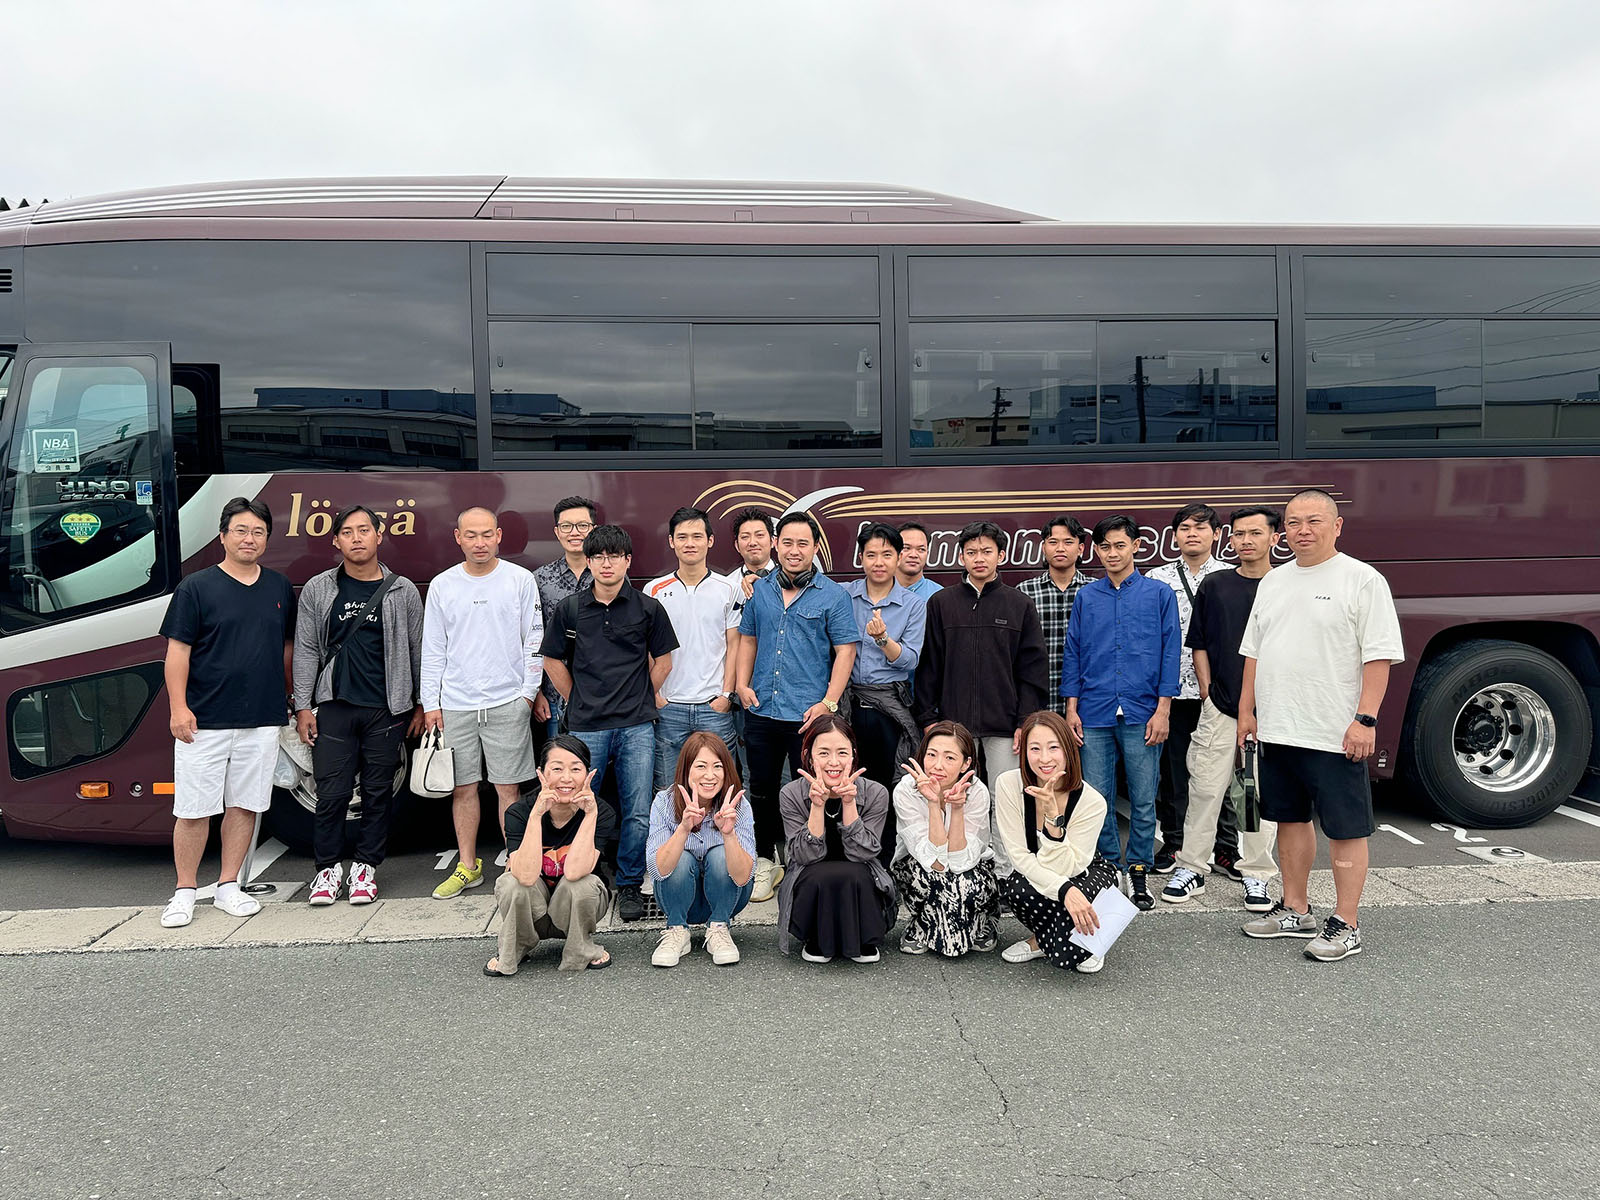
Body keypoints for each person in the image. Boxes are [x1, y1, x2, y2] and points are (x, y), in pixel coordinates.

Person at [1238, 489, 1404, 962]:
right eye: (1293, 522)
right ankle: (1296, 908)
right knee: (1289, 820)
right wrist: (1247, 712)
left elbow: (1378, 656)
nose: (1302, 530)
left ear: (1337, 526)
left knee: (1345, 828)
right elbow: (1253, 652)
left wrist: (1365, 720)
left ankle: (1347, 923)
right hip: (1278, 727)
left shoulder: (1362, 580)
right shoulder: (1273, 581)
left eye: (1313, 521)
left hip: (1334, 731)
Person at [159, 498, 296, 929]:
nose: (249, 539)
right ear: (223, 536)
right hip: (203, 720)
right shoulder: (196, 588)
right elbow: (177, 653)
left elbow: (287, 648)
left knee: (245, 805)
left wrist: (289, 698)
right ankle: (184, 891)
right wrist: (178, 708)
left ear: (267, 539)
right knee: (193, 809)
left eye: (258, 532)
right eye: (240, 530)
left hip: (261, 719)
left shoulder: (279, 587)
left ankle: (228, 886)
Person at [541, 524, 678, 923]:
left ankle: (631, 882)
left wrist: (640, 696)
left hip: (637, 725)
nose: (606, 563)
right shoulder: (570, 608)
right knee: (580, 804)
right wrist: (577, 699)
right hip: (586, 727)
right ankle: (584, 874)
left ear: (627, 561)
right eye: (598, 556)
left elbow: (664, 661)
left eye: (614, 556)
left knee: (637, 809)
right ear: (588, 561)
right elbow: (552, 660)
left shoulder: (648, 608)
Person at [291, 504, 425, 906]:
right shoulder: (319, 588)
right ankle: (327, 870)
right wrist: (303, 706)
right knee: (331, 794)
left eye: (364, 530)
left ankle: (365, 868)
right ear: (336, 541)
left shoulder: (402, 590)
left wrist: (421, 703)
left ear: (379, 535)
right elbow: (306, 649)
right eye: (347, 532)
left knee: (377, 794)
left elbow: (418, 650)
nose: (356, 538)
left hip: (387, 708)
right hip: (335, 707)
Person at [1162, 506, 1283, 914]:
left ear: (1274, 538)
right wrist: (1209, 692)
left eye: (1255, 533)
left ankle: (1256, 873)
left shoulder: (1286, 585)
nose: (1246, 541)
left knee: (1256, 795)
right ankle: (1192, 866)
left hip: (1271, 713)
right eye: (1239, 534)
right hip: (1221, 705)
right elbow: (1198, 642)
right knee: (1205, 788)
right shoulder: (1216, 585)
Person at [735, 512, 859, 904]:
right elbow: (748, 639)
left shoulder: (833, 596)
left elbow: (845, 651)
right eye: (787, 542)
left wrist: (828, 703)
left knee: (810, 789)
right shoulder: (760, 591)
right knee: (761, 790)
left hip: (809, 715)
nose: (794, 550)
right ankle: (764, 860)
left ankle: (804, 860)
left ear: (815, 548)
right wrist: (741, 684)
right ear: (776, 545)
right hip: (761, 709)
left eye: (803, 543)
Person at [420, 507, 544, 901]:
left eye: (487, 534)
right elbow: (433, 647)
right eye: (471, 535)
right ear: (458, 537)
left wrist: (527, 693)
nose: (479, 542)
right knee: (463, 789)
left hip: (508, 700)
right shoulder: (443, 585)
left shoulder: (519, 580)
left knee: (509, 789)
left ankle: (515, 866)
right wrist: (431, 703)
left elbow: (534, 640)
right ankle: (467, 866)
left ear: (499, 535)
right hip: (455, 703)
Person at [1061, 514, 1181, 911]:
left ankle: (1140, 869)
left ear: (1136, 546)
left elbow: (1170, 653)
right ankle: (1110, 867)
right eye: (1105, 547)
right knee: (1097, 798)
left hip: (1143, 711)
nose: (1112, 553)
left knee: (1144, 797)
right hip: (1093, 711)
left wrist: (1163, 710)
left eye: (1120, 545)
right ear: (1096, 550)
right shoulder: (1087, 597)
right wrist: (1071, 708)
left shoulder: (1158, 595)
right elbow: (1074, 652)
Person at [912, 521, 1048, 815]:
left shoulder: (1020, 605)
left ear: (1001, 555)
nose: (979, 558)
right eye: (971, 552)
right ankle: (956, 847)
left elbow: (1032, 669)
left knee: (1006, 799)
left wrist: (1024, 721)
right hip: (953, 724)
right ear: (961, 557)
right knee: (954, 796)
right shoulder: (941, 603)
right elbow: (929, 665)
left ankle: (1002, 849)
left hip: (1005, 726)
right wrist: (929, 719)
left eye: (987, 551)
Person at [993, 710, 1119, 974]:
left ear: (1068, 749)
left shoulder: (1092, 802)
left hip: (1083, 869)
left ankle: (1093, 938)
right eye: (1035, 748)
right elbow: (1019, 856)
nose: (1044, 758)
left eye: (1053, 747)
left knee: (1071, 955)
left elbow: (1070, 867)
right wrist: (1064, 891)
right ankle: (1043, 939)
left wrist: (1053, 821)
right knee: (1018, 887)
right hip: (1038, 867)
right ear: (1024, 751)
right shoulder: (1008, 784)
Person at [1149, 503, 1238, 876]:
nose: (1192, 534)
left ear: (1216, 534)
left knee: (1221, 772)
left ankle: (1226, 848)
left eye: (1200, 528)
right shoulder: (1157, 578)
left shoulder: (1231, 576)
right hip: (1172, 691)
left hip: (1219, 692)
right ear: (1174, 536)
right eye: (1185, 528)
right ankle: (1174, 843)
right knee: (1173, 773)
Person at [485, 736, 616, 974]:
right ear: (541, 773)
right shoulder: (519, 811)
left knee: (583, 884)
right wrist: (536, 816)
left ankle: (581, 949)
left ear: (588, 774)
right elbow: (524, 876)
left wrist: (590, 815)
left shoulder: (601, 811)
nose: (566, 778)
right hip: (533, 909)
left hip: (574, 908)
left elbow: (575, 872)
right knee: (511, 883)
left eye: (575, 769)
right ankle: (514, 948)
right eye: (557, 769)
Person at [775, 716, 897, 963]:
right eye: (824, 753)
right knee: (820, 874)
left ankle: (863, 938)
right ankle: (816, 938)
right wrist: (817, 807)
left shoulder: (876, 792)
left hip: (861, 882)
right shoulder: (791, 793)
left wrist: (849, 803)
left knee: (855, 872)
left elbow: (863, 854)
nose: (833, 762)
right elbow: (805, 856)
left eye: (842, 752)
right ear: (809, 757)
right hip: (810, 881)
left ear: (853, 755)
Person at [844, 522, 926, 867]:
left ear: (898, 558)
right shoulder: (843, 595)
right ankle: (852, 854)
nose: (879, 562)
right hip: (847, 705)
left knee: (890, 787)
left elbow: (910, 659)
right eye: (871, 555)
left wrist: (882, 640)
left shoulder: (912, 604)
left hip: (888, 707)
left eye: (887, 555)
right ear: (861, 558)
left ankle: (887, 859)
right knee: (849, 783)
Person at [646, 506, 741, 791]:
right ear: (671, 541)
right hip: (669, 708)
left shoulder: (728, 588)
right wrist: (656, 696)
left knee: (721, 789)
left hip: (714, 707)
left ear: (710, 541)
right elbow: (647, 647)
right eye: (682, 537)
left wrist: (726, 696)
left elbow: (734, 644)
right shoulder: (654, 590)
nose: (690, 543)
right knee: (668, 790)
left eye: (697, 536)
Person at [646, 732, 757, 967]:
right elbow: (658, 870)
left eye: (717, 766)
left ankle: (719, 927)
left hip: (729, 897)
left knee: (720, 854)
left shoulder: (738, 805)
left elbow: (743, 877)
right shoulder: (664, 802)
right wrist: (683, 829)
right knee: (680, 858)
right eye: (701, 766)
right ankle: (677, 930)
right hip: (676, 898)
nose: (709, 775)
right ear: (686, 769)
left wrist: (729, 834)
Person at [892, 721, 998, 957]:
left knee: (962, 882)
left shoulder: (977, 791)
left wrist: (957, 809)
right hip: (918, 865)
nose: (937, 765)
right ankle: (922, 922)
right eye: (931, 755)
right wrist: (933, 802)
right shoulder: (906, 790)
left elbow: (961, 863)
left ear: (966, 763)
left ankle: (979, 920)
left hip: (971, 866)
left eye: (950, 758)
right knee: (940, 880)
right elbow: (935, 863)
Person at [532, 496, 597, 739]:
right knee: (560, 760)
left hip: (602, 694)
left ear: (593, 529)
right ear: (557, 532)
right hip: (554, 696)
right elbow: (533, 637)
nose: (574, 532)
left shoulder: (610, 574)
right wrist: (536, 692)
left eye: (582, 525)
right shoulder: (540, 579)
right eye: (567, 526)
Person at [1017, 514, 1091, 719]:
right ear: (1043, 547)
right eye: (1053, 542)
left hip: (1087, 704)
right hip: (1038, 701)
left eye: (1068, 542)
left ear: (1081, 549)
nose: (1060, 548)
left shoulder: (1095, 591)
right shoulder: (1024, 592)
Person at [721, 506, 777, 609]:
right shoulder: (727, 586)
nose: (752, 542)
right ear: (737, 546)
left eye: (759, 535)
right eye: (745, 537)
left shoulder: (789, 580)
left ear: (773, 541)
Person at [895, 521, 942, 598]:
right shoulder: (878, 591)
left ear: (927, 553)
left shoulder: (939, 595)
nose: (913, 555)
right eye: (906, 548)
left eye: (921, 549)